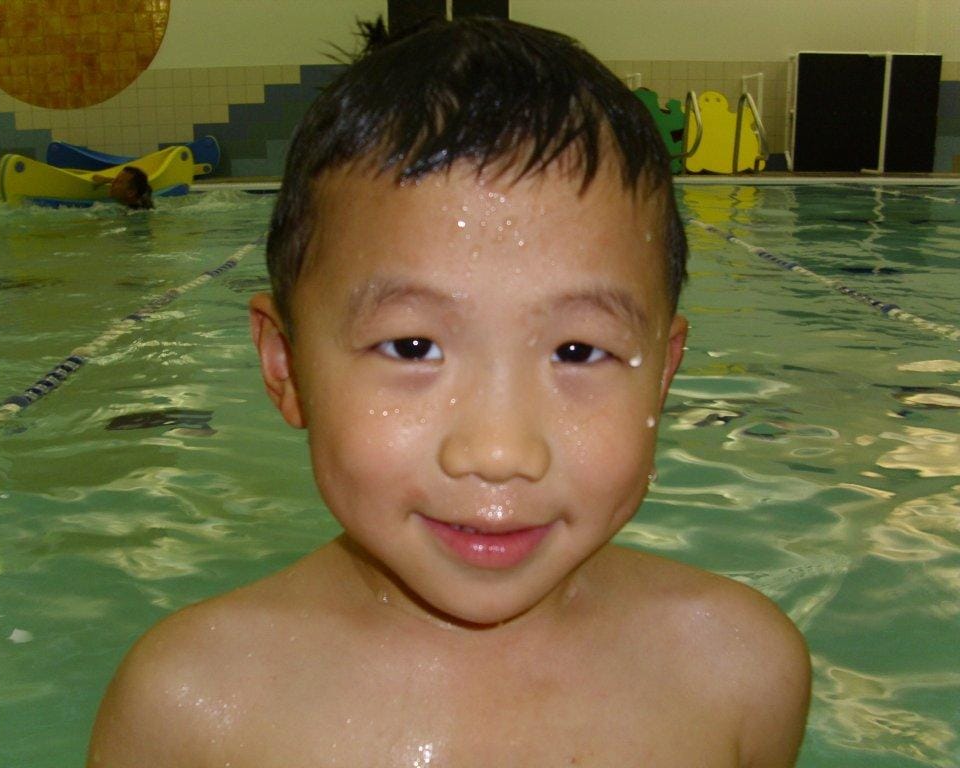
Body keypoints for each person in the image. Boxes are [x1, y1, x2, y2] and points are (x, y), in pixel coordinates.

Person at [87, 16, 810, 766]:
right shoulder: (191, 711)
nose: (498, 451)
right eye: (412, 346)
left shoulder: (739, 676)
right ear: (286, 367)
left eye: (577, 351)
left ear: (662, 374)